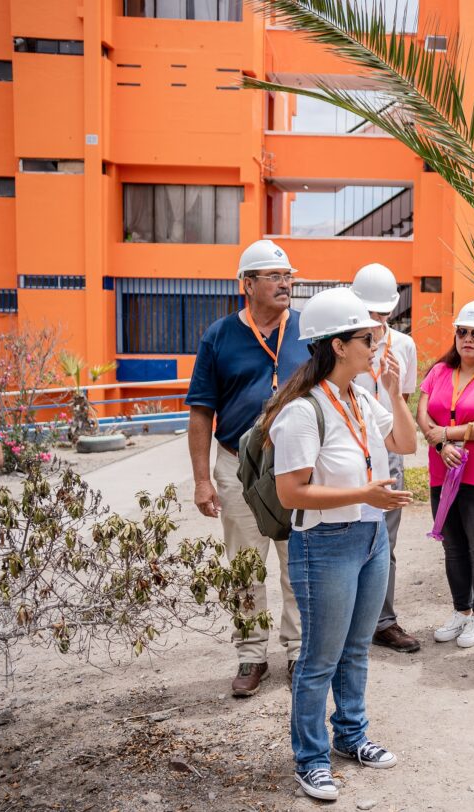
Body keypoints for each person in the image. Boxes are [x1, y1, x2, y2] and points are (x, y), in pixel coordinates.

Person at [263, 286, 417, 801]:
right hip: (325, 542)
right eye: (364, 337)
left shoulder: (362, 396)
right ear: (336, 345)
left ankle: (351, 736)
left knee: (355, 649)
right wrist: (366, 492)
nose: (374, 343)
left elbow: (405, 444)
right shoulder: (303, 413)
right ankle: (310, 758)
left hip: (371, 536)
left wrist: (395, 392)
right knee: (319, 658)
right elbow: (291, 491)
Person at [186, 239, 311, 697]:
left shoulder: (307, 329)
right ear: (248, 284)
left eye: (288, 276)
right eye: (274, 276)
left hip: (295, 469)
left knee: (296, 562)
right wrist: (203, 480)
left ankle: (298, 651)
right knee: (244, 567)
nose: (285, 283)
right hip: (237, 467)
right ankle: (251, 654)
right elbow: (201, 411)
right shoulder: (219, 336)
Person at [417, 300, 474, 648]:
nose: (467, 338)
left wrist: (450, 435)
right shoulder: (439, 371)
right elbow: (423, 415)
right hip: (443, 471)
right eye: (462, 332)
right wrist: (441, 446)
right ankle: (460, 610)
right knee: (453, 546)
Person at [349, 263, 422, 653]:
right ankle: (347, 620)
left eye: (383, 313)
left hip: (388, 453)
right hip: (345, 455)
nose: (378, 321)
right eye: (371, 313)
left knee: (384, 540)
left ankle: (383, 620)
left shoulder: (404, 346)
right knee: (343, 534)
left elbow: (403, 408)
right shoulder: (343, 342)